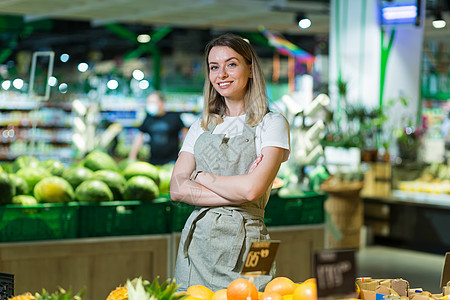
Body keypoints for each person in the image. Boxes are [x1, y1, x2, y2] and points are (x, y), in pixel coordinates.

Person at [170, 33, 290, 292]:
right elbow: (177, 189)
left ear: (250, 69)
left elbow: (252, 190)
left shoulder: (273, 123)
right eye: (214, 67)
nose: (221, 74)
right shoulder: (200, 127)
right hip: (199, 239)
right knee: (194, 297)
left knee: (257, 295)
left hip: (255, 239)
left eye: (231, 64)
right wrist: (237, 191)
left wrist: (201, 177)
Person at [129, 91, 187, 165]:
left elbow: (185, 135)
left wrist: (186, 156)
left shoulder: (174, 117)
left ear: (161, 103)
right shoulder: (148, 118)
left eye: (153, 102)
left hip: (172, 161)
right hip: (153, 161)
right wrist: (132, 156)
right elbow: (139, 137)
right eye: (148, 103)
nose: (150, 105)